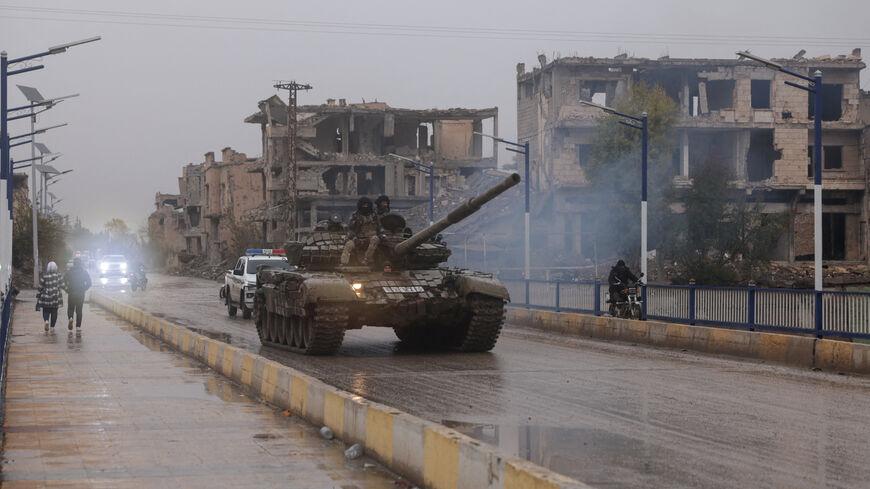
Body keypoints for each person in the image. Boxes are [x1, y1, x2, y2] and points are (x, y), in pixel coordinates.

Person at [341, 197, 382, 265]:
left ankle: (366, 260)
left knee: (375, 239)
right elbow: (350, 230)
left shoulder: (374, 215)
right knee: (348, 244)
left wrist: (381, 235)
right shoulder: (356, 216)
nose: (366, 207)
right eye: (364, 205)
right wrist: (354, 238)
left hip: (370, 239)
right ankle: (344, 263)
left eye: (367, 205)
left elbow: (379, 228)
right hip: (358, 239)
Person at [63, 257, 92, 331]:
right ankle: (78, 326)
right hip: (80, 294)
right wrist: (84, 289)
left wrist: (66, 289)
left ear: (74, 263)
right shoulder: (84, 272)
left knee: (70, 308)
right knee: (79, 310)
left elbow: (63, 281)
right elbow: (89, 283)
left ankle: (70, 318)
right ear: (81, 263)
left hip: (71, 293)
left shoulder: (69, 271)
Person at [36, 261, 63, 332]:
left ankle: (46, 321)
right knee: (54, 311)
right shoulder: (59, 275)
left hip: (46, 297)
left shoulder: (44, 276)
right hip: (55, 297)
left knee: (46, 311)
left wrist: (38, 296)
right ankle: (52, 327)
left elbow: (40, 287)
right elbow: (63, 285)